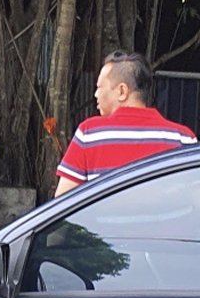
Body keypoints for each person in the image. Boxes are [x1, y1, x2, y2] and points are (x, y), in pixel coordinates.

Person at [55, 50, 197, 197]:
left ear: (122, 91)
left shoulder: (89, 135)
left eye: (99, 87)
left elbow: (63, 201)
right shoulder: (183, 139)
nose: (95, 94)